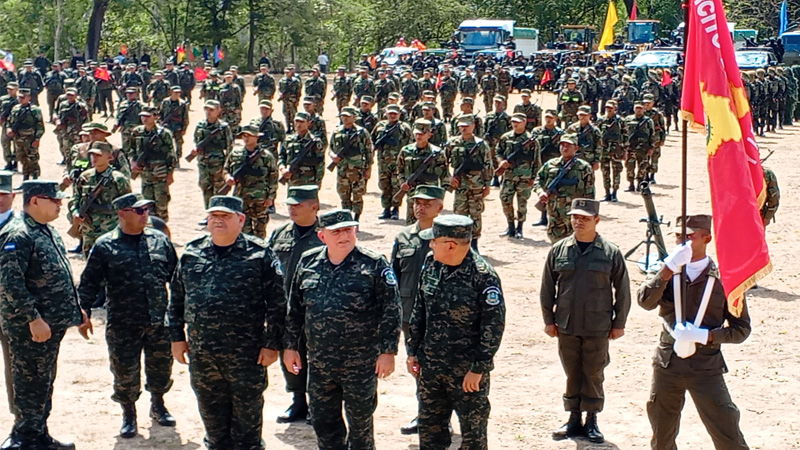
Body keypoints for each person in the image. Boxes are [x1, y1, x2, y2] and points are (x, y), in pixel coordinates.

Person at [169, 196, 286, 450]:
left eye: (225, 216)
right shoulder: (192, 252)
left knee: (247, 425)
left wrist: (272, 344)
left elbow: (277, 304)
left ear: (241, 219)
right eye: (214, 216)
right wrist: (176, 338)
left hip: (246, 355)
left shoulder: (260, 254)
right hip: (203, 353)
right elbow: (177, 298)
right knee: (213, 423)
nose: (218, 220)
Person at [284, 209, 401, 450]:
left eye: (348, 229)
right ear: (322, 236)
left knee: (360, 427)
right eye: (336, 231)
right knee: (324, 424)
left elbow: (391, 309)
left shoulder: (374, 264)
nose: (344, 236)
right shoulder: (308, 262)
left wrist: (388, 352)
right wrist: (290, 347)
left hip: (360, 363)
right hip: (319, 363)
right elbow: (294, 308)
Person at [637, 215, 751, 450]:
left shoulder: (724, 280)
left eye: (689, 236)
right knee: (662, 436)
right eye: (678, 236)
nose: (682, 242)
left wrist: (707, 336)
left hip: (706, 367)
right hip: (668, 364)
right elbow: (645, 301)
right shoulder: (666, 270)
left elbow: (741, 329)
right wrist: (668, 269)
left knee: (727, 432)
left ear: (706, 238)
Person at [77, 193, 178, 439]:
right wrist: (83, 312)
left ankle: (158, 404)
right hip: (123, 323)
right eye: (139, 211)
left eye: (146, 210)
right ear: (122, 213)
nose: (146, 215)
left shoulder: (159, 240)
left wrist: (181, 313)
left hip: (157, 320)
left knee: (161, 367)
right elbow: (89, 283)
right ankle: (128, 413)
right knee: (124, 372)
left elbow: (177, 278)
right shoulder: (105, 245)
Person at [0, 180, 91, 450]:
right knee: (29, 385)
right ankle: (23, 439)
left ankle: (39, 435)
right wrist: (33, 318)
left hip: (51, 326)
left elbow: (59, 275)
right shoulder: (18, 234)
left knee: (43, 383)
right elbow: (9, 283)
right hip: (30, 329)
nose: (60, 204)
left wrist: (78, 311)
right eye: (54, 200)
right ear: (35, 201)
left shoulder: (46, 231)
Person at [407, 214, 506, 450]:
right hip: (430, 368)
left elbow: (493, 327)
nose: (430, 244)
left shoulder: (483, 276)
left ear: (450, 245)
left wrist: (478, 369)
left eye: (434, 241)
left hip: (466, 373)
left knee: (472, 436)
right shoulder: (431, 263)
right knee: (430, 432)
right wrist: (413, 351)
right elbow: (419, 309)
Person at [540, 198, 631, 443]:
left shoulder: (610, 252)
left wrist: (619, 322)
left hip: (597, 325)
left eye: (585, 218)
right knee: (572, 372)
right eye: (575, 217)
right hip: (567, 324)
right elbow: (548, 287)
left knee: (593, 373)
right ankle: (572, 419)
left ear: (596, 220)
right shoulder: (559, 249)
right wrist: (548, 319)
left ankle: (591, 420)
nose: (578, 222)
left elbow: (622, 289)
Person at [390, 185, 445, 435]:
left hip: (439, 314)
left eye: (427, 203)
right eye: (417, 203)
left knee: (441, 366)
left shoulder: (447, 236)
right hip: (409, 313)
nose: (420, 208)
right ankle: (425, 412)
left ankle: (441, 415)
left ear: (440, 207)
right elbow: (394, 276)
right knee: (416, 364)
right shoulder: (403, 237)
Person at [267, 185, 323, 424]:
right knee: (289, 354)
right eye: (290, 204)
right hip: (285, 307)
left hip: (315, 308)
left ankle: (318, 404)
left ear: (314, 207)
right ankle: (298, 400)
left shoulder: (325, 234)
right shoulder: (280, 234)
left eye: (298, 205)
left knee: (317, 356)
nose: (292, 209)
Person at [71, 141, 132, 254]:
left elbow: (128, 204)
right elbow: (76, 198)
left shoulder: (118, 179)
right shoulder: (84, 177)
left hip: (110, 229)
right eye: (92, 155)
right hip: (89, 229)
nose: (94, 158)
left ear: (109, 157)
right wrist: (75, 212)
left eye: (98, 155)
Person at [533, 134, 595, 244]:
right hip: (554, 211)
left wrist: (589, 214)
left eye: (568, 146)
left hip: (575, 213)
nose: (564, 148)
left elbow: (589, 193)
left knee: (576, 242)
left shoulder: (584, 167)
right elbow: (538, 180)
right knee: (555, 241)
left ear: (576, 148)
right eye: (562, 145)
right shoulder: (550, 164)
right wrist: (540, 192)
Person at [222, 124, 278, 238]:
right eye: (244, 135)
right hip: (240, 196)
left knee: (260, 231)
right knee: (243, 229)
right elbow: (226, 169)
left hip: (260, 199)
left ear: (257, 137)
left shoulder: (266, 156)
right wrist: (228, 178)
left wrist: (270, 197)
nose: (246, 138)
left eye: (249, 136)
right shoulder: (235, 154)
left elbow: (273, 177)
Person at [448, 114, 492, 251]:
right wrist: (449, 177)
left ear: (473, 126)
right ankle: (459, 244)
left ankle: (474, 244)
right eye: (461, 126)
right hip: (460, 185)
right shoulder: (453, 143)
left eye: (467, 125)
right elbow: (442, 162)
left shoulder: (481, 144)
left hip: (476, 185)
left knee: (475, 214)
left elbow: (487, 165)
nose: (464, 128)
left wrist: (487, 184)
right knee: (459, 215)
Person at [396, 119, 450, 224]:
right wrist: (402, 183)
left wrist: (441, 196)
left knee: (429, 222)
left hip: (431, 194)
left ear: (429, 135)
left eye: (422, 134)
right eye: (417, 134)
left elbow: (444, 175)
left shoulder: (437, 153)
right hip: (413, 192)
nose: (419, 136)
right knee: (411, 223)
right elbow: (400, 169)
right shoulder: (406, 151)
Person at [496, 112, 540, 239]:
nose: (515, 124)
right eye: (513, 122)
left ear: (524, 122)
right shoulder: (505, 137)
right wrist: (501, 161)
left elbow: (537, 161)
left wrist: (533, 178)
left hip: (524, 177)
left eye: (518, 122)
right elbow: (499, 152)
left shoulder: (531, 140)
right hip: (509, 176)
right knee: (505, 200)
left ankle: (519, 228)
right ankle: (510, 226)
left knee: (522, 203)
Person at [131, 106, 176, 221]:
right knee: (147, 204)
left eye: (147, 116)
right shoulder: (137, 132)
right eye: (142, 116)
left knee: (161, 203)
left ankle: (162, 228)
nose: (144, 119)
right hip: (145, 173)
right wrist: (133, 162)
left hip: (160, 172)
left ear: (155, 117)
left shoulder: (164, 133)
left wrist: (170, 173)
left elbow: (171, 155)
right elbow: (131, 149)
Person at [189, 100, 233, 218]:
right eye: (207, 109)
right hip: (203, 162)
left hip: (218, 164)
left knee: (219, 189)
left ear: (219, 111)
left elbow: (229, 147)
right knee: (205, 187)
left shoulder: (224, 127)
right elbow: (195, 140)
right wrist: (194, 149)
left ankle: (220, 213)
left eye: (212, 110)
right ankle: (210, 213)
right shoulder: (200, 125)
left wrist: (228, 167)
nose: (208, 112)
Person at [330, 107, 373, 222]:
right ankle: (346, 218)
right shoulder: (337, 132)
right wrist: (333, 156)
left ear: (354, 117)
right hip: (342, 170)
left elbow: (369, 151)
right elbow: (331, 148)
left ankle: (356, 218)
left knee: (358, 195)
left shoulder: (362, 132)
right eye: (343, 116)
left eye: (348, 116)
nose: (344, 118)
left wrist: (368, 169)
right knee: (344, 195)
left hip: (357, 170)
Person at [374, 104, 413, 220]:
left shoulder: (405, 128)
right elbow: (372, 139)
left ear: (399, 115)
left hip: (399, 163)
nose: (392, 115)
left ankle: (395, 209)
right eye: (390, 113)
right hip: (383, 162)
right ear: (385, 114)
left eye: (395, 114)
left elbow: (410, 145)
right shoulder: (380, 126)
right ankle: (386, 209)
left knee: (397, 186)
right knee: (384, 185)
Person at [0, 171, 16, 422]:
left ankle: (21, 419)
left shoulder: (24, 226)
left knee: (17, 368)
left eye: (3, 194)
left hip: (13, 309)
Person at [6, 88, 44, 182]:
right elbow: (10, 122)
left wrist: (37, 139)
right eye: (19, 97)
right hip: (18, 138)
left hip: (30, 138)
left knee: (33, 159)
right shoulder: (15, 109)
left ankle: (35, 180)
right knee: (22, 159)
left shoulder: (35, 110)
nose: (20, 99)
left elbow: (40, 126)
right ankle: (25, 179)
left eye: (23, 97)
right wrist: (9, 129)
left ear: (29, 98)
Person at [278, 112, 325, 187]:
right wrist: (282, 168)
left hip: (309, 181)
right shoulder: (288, 140)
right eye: (297, 121)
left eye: (302, 122)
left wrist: (318, 182)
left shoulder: (315, 142)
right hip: (292, 181)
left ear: (308, 123)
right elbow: (281, 156)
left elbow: (320, 164)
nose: (298, 124)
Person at [596, 101, 627, 202]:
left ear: (615, 109)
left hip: (616, 150)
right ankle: (607, 193)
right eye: (607, 108)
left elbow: (625, 136)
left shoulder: (620, 121)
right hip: (604, 150)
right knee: (605, 172)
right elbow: (597, 135)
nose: (608, 110)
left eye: (611, 108)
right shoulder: (601, 120)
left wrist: (625, 151)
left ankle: (614, 193)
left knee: (616, 172)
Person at [623, 102, 656, 192]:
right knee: (629, 167)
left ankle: (640, 184)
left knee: (642, 167)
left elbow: (652, 135)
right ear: (634, 109)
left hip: (643, 149)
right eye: (637, 108)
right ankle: (631, 184)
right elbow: (623, 133)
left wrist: (651, 147)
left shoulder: (648, 121)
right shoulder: (628, 119)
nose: (638, 110)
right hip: (630, 148)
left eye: (640, 108)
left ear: (644, 109)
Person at [160, 86, 190, 161]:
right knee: (165, 143)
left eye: (179, 93)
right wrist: (160, 125)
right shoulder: (165, 102)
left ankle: (177, 159)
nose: (177, 94)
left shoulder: (182, 104)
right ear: (171, 92)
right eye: (175, 92)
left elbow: (185, 117)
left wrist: (184, 128)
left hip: (177, 126)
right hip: (167, 126)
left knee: (179, 143)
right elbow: (160, 114)